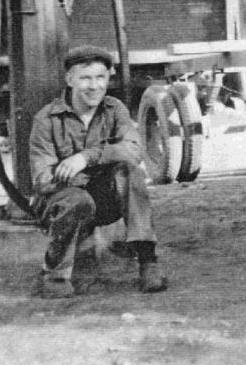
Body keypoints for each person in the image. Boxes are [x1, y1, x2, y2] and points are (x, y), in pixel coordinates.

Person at [29, 45, 167, 298]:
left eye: (100, 77)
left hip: (104, 202)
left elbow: (134, 151)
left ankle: (148, 262)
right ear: (70, 79)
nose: (94, 86)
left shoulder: (114, 110)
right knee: (77, 200)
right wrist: (84, 175)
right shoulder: (46, 119)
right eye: (85, 78)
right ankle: (54, 275)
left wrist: (86, 158)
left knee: (130, 173)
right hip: (62, 204)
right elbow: (43, 180)